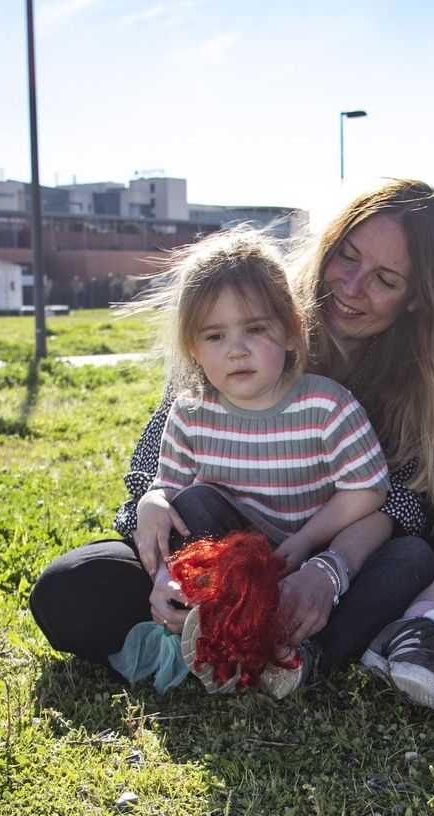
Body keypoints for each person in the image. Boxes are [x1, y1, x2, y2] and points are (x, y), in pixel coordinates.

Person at [30, 180, 434, 701]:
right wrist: (159, 549)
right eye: (347, 256)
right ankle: (216, 633)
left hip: (341, 558)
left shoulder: (411, 379)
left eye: (385, 280)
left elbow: (396, 505)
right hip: (222, 549)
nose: (350, 286)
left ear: (417, 299)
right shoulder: (247, 307)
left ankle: (358, 642)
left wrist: (325, 570)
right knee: (70, 590)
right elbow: (158, 471)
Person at [140, 228, 391, 695]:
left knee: (409, 559)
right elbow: (168, 492)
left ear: (293, 332)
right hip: (237, 564)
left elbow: (369, 490)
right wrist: (151, 503)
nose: (237, 349)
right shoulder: (192, 412)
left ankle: (303, 653)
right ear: (194, 349)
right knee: (194, 504)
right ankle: (222, 630)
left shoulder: (326, 404)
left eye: (255, 329)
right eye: (216, 335)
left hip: (314, 555)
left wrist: (309, 540)